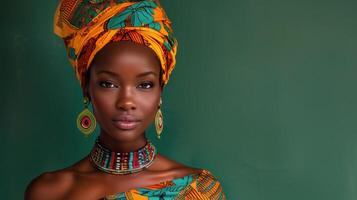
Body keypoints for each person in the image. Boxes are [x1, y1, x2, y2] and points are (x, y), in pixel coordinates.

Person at [25, 0, 226, 199]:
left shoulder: (197, 190)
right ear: (87, 88)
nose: (127, 102)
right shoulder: (49, 192)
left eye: (144, 85)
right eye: (108, 84)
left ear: (160, 92)